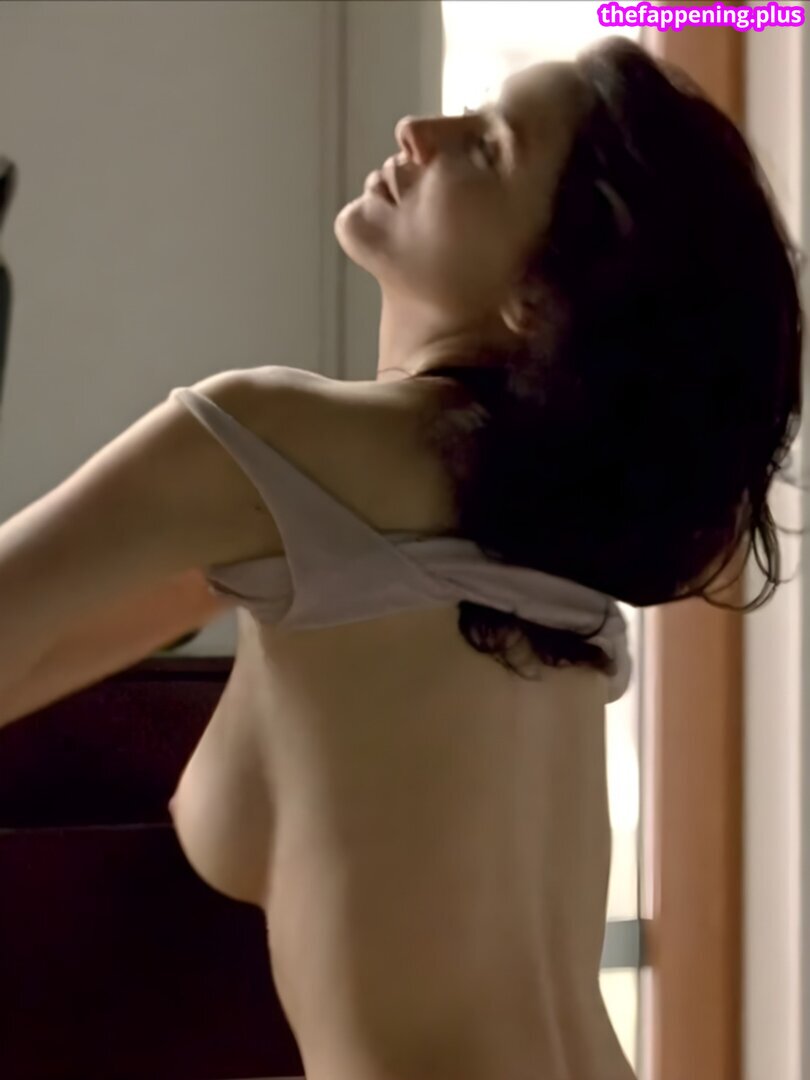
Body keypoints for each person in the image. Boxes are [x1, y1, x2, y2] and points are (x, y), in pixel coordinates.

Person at [0, 36, 803, 1080]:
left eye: (489, 147)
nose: (420, 131)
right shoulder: (542, 569)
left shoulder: (270, 447)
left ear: (541, 296)